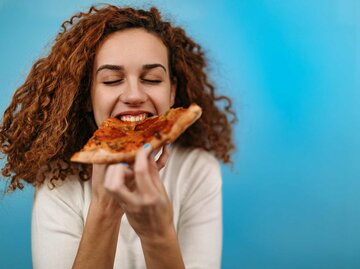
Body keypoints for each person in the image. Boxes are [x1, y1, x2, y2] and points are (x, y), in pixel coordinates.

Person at [0, 4, 235, 269]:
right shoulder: (59, 178)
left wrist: (157, 233)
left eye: (152, 79)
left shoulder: (196, 169)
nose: (134, 95)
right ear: (87, 96)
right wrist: (104, 209)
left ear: (172, 92)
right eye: (112, 80)